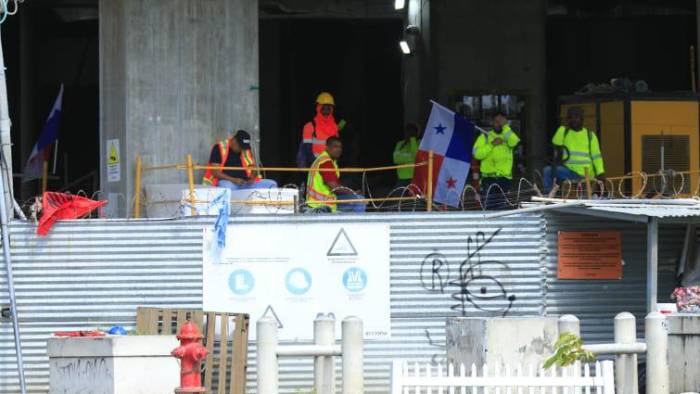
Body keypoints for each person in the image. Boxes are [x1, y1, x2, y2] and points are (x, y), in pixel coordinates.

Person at [543, 107, 606, 192]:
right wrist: (563, 128)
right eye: (571, 117)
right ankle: (549, 197)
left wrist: (600, 173)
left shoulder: (590, 135)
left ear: (582, 119)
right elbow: (556, 142)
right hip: (569, 172)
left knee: (583, 200)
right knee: (547, 171)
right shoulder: (564, 132)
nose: (574, 120)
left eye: (577, 117)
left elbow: (597, 157)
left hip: (585, 174)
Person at [472, 112, 520, 209]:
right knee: (489, 207)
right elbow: (476, 154)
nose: (498, 123)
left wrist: (505, 127)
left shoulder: (508, 135)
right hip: (488, 178)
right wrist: (491, 145)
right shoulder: (485, 137)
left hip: (504, 178)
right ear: (492, 122)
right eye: (496, 121)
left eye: (501, 121)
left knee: (502, 208)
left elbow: (515, 142)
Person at [306, 137, 365, 213]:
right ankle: (357, 224)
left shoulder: (326, 160)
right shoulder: (326, 162)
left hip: (320, 202)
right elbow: (334, 187)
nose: (339, 150)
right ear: (327, 147)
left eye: (340, 147)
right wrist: (353, 193)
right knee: (360, 201)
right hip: (321, 204)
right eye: (335, 147)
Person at [203, 130, 278, 190]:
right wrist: (233, 180)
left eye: (244, 147)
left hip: (246, 184)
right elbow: (215, 172)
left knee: (272, 184)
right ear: (234, 141)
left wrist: (252, 176)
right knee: (226, 187)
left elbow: (254, 168)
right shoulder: (219, 148)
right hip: (230, 183)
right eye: (240, 146)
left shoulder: (246, 150)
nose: (242, 149)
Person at [297, 92, 347, 168]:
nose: (326, 110)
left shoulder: (335, 128)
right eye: (323, 108)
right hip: (315, 167)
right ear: (318, 107)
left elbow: (337, 150)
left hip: (331, 167)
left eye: (328, 108)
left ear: (332, 109)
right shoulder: (309, 126)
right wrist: (318, 165)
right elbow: (307, 150)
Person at [393, 122, 421, 188]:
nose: (409, 133)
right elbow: (396, 159)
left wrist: (412, 140)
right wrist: (411, 157)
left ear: (416, 133)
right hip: (402, 177)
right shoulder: (400, 144)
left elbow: (417, 156)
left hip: (415, 177)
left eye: (412, 132)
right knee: (398, 197)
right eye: (408, 131)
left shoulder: (420, 143)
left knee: (414, 197)